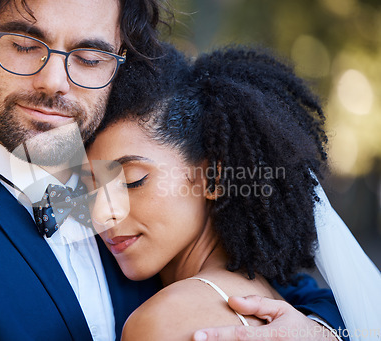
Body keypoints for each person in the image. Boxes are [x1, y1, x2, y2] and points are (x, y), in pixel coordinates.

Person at [0, 0, 350, 340]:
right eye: (25, 44)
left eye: (88, 58)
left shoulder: (107, 179)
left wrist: (324, 334)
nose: (54, 81)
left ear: (116, 66)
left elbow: (284, 287)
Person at [83, 44, 378, 341]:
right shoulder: (274, 298)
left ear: (214, 178)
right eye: (89, 187)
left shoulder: (162, 323)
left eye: (132, 181)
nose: (102, 212)